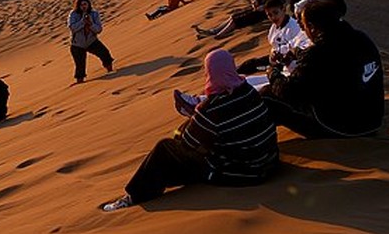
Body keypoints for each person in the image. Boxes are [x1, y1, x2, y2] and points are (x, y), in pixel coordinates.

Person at [101, 49, 279, 211]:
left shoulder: (212, 108)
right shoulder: (249, 91)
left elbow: (187, 143)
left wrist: (192, 120)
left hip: (242, 173)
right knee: (196, 139)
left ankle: (135, 196)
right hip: (269, 162)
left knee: (165, 148)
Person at [263, 0, 384, 138]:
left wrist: (273, 74)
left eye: (304, 26)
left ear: (312, 27)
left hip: (341, 128)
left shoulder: (319, 54)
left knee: (267, 97)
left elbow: (289, 92)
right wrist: (297, 52)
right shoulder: (362, 39)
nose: (303, 30)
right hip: (373, 121)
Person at [236, 0, 310, 75]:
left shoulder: (294, 27)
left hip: (287, 64)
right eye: (269, 15)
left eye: (276, 13)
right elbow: (274, 46)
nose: (273, 17)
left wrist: (282, 56)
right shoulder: (274, 28)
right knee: (249, 64)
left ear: (283, 10)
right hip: (275, 60)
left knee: (256, 68)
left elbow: (296, 49)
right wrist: (273, 55)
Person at [68, 0, 115, 83]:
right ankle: (80, 83)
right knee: (80, 65)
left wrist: (90, 24)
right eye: (81, 5)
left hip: (91, 41)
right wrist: (82, 22)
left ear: (89, 4)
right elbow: (72, 27)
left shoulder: (94, 14)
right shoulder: (73, 14)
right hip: (77, 45)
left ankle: (110, 71)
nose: (84, 6)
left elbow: (99, 29)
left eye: (85, 4)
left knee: (105, 54)